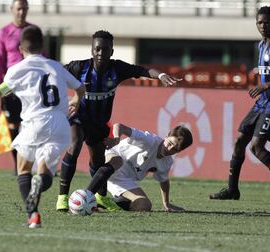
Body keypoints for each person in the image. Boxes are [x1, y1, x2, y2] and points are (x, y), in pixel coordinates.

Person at [56, 30, 182, 212]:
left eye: (105, 50)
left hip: (99, 124)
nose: (100, 53)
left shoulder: (117, 69)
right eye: (97, 49)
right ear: (91, 50)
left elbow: (142, 70)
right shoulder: (79, 67)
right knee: (75, 145)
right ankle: (62, 197)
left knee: (97, 161)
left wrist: (160, 75)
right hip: (79, 117)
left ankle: (100, 197)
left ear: (111, 52)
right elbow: (55, 74)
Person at [0, 25, 86, 228]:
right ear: (42, 46)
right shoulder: (55, 66)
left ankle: (33, 216)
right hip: (60, 125)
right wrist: (75, 101)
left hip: (35, 122)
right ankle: (40, 183)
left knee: (23, 168)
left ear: (20, 48)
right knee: (45, 173)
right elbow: (80, 88)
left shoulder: (17, 70)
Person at [210, 6, 270, 200]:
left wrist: (266, 86)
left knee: (257, 147)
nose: (263, 26)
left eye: (267, 22)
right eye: (260, 22)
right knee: (239, 141)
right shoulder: (260, 45)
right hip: (262, 101)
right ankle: (232, 190)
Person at [85, 123, 193, 212]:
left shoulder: (167, 162)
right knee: (118, 161)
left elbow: (164, 180)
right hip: (112, 157)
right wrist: (117, 139)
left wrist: (166, 203)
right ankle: (85, 196)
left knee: (144, 205)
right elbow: (119, 126)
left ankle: (111, 203)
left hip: (124, 179)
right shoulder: (149, 140)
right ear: (166, 137)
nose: (169, 149)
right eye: (169, 143)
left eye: (175, 149)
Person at [0, 0, 38, 175]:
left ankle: (37, 164)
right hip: (11, 88)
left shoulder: (33, 31)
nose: (21, 12)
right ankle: (18, 165)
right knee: (13, 126)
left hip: (32, 87)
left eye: (24, 9)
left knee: (33, 125)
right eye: (19, 8)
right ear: (11, 9)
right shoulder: (4, 33)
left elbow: (43, 56)